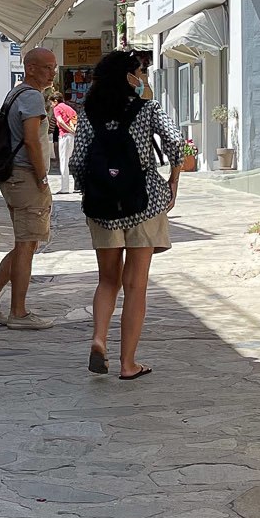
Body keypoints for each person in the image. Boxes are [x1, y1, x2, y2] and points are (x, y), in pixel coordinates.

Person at [70, 49, 182, 378]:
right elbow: (175, 143)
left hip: (102, 206)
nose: (142, 79)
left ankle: (98, 339)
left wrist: (95, 188)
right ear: (128, 77)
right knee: (136, 285)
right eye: (140, 73)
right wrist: (173, 180)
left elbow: (78, 162)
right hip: (143, 202)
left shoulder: (88, 114)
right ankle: (128, 364)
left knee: (108, 281)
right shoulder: (147, 109)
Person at [0, 46, 57, 330]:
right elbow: (32, 140)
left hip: (13, 176)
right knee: (26, 245)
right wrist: (43, 177)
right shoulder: (32, 98)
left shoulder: (16, 93)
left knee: (26, 243)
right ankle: (18, 312)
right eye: (47, 67)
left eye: (54, 67)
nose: (52, 73)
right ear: (30, 68)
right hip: (26, 177)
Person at [52, 92, 78, 194]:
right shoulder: (69, 108)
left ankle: (65, 187)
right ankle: (77, 185)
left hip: (64, 135)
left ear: (55, 101)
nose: (51, 105)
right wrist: (74, 131)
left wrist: (69, 130)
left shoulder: (57, 108)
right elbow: (76, 119)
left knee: (64, 161)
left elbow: (61, 121)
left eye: (51, 102)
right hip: (72, 137)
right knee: (72, 160)